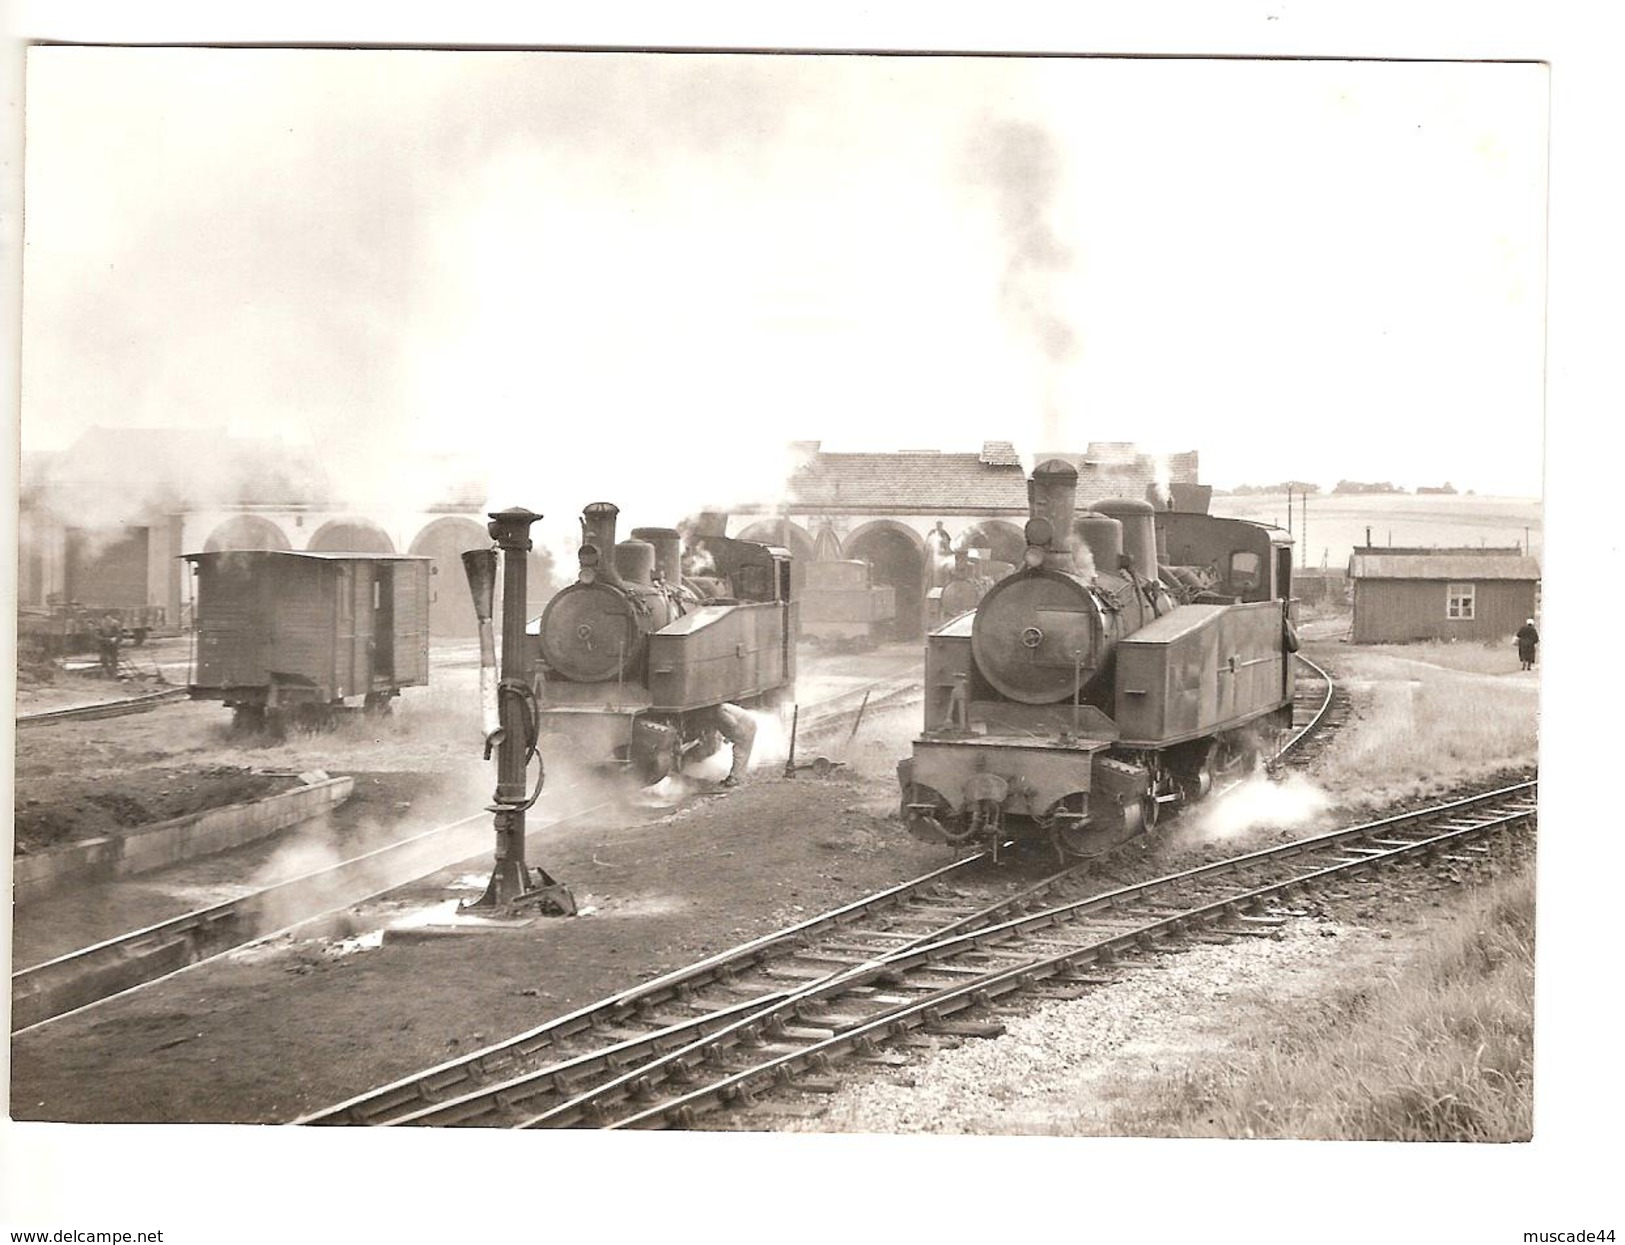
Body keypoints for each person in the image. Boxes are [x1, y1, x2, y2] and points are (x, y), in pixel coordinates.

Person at [713, 702, 757, 788]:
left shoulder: (720, 711)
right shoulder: (722, 708)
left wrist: (729, 737)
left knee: (739, 753)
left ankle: (735, 779)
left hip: (745, 727)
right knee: (743, 753)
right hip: (747, 724)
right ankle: (737, 777)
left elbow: (732, 723)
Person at [96, 613, 123, 678]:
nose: (108, 620)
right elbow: (96, 635)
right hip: (104, 644)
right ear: (104, 619)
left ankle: (114, 672)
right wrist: (105, 639)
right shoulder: (100, 624)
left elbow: (120, 634)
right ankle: (107, 671)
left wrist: (115, 639)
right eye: (107, 619)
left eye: (110, 618)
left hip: (113, 644)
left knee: (114, 658)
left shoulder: (116, 623)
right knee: (103, 658)